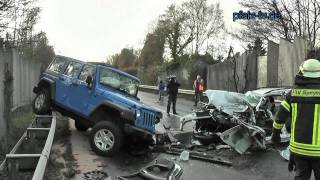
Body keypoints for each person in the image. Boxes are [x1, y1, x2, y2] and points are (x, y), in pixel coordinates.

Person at [271, 59, 320, 180]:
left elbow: (279, 118)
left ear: (301, 72)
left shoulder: (293, 93)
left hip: (298, 149)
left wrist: (275, 136)